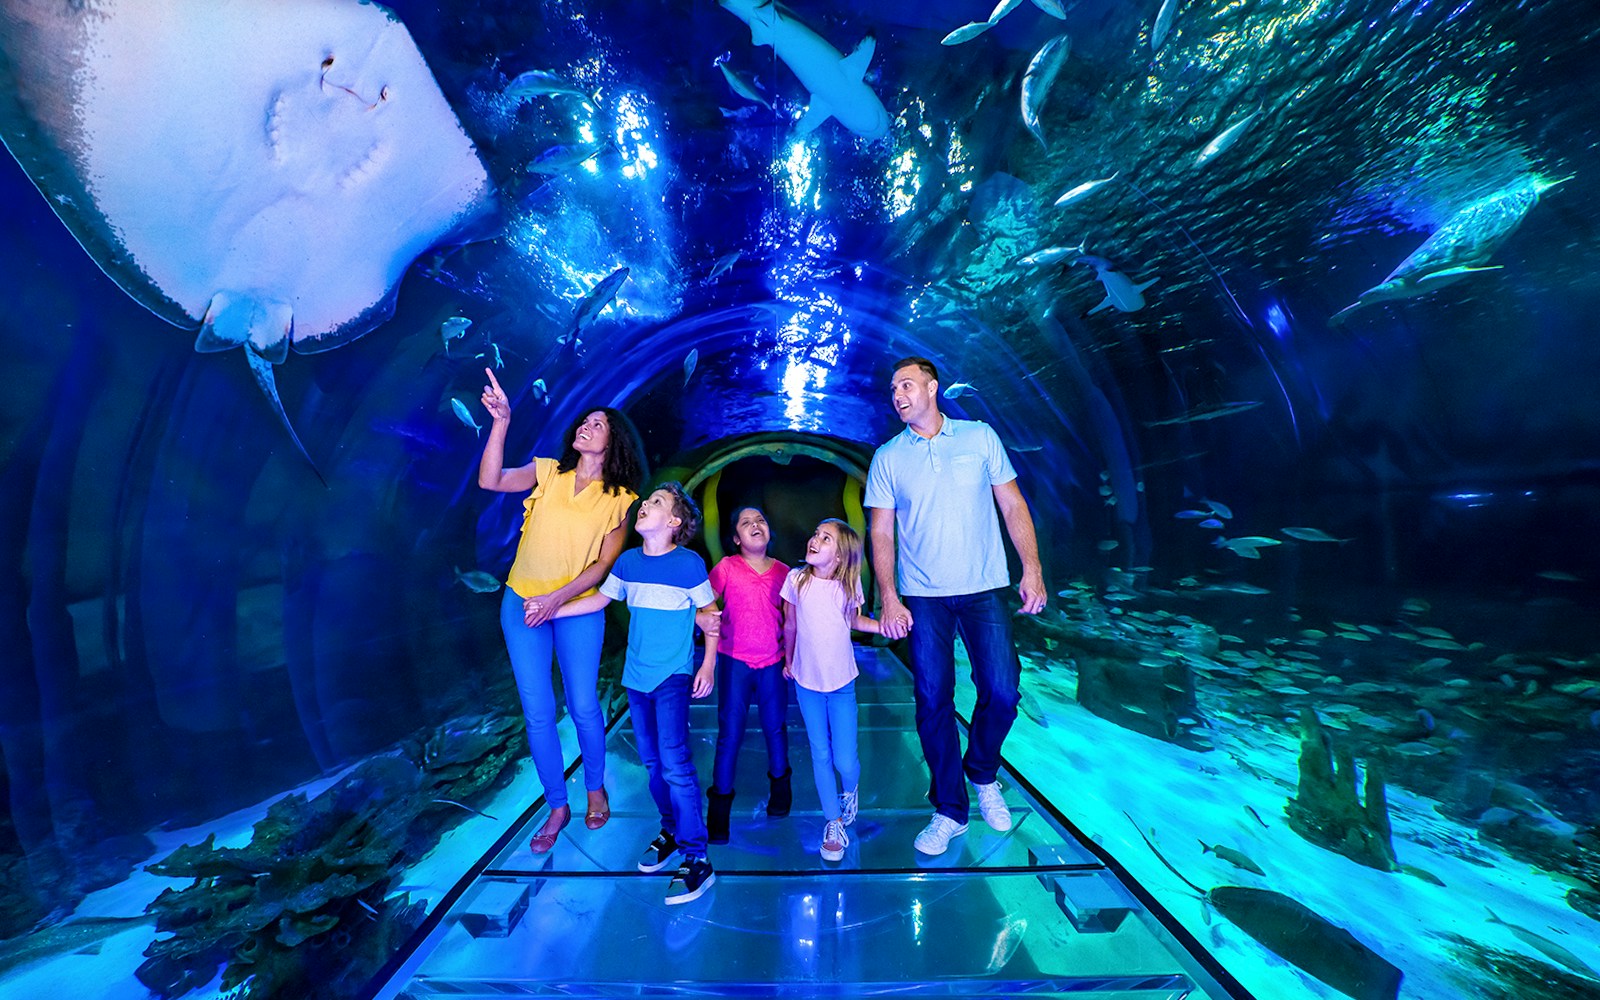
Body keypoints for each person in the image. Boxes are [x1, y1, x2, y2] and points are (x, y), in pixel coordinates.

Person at [864, 356, 1047, 856]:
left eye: (906, 384)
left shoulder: (979, 436)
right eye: (892, 387)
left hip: (985, 586)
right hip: (923, 596)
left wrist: (1031, 568)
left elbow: (1012, 503)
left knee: (1004, 691)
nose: (897, 394)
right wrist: (889, 597)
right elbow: (880, 530)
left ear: (932, 387)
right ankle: (949, 808)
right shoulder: (887, 457)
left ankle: (982, 771)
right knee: (931, 699)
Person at [478, 370, 642, 854]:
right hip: (521, 603)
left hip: (573, 610)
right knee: (537, 711)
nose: (586, 426)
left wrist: (556, 600)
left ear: (614, 443)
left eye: (599, 423)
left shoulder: (621, 501)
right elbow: (491, 480)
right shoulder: (548, 472)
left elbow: (602, 567)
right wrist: (501, 422)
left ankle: (594, 788)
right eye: (584, 420)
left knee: (583, 704)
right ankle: (556, 804)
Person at [544, 482, 720, 904]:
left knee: (676, 764)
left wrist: (709, 664)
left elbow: (710, 617)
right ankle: (672, 831)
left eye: (656, 503)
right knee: (652, 763)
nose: (645, 505)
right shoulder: (626, 562)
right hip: (636, 679)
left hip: (673, 676)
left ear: (674, 522)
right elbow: (598, 602)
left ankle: (698, 858)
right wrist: (552, 608)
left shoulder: (690, 564)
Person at [782, 519, 880, 862]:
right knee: (819, 753)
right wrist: (788, 660)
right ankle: (833, 821)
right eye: (815, 533)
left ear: (839, 557)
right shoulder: (796, 580)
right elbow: (790, 623)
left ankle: (850, 790)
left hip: (841, 684)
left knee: (845, 758)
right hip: (806, 682)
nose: (815, 539)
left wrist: (883, 625)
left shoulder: (847, 586)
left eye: (826, 538)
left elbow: (854, 621)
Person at [706, 507, 792, 843]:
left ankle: (781, 795)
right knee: (730, 734)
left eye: (761, 521)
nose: (756, 525)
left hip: (773, 663)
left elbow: (793, 620)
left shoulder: (785, 573)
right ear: (736, 538)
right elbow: (704, 603)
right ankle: (719, 813)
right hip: (734, 663)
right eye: (746, 523)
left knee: (775, 729)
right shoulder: (727, 567)